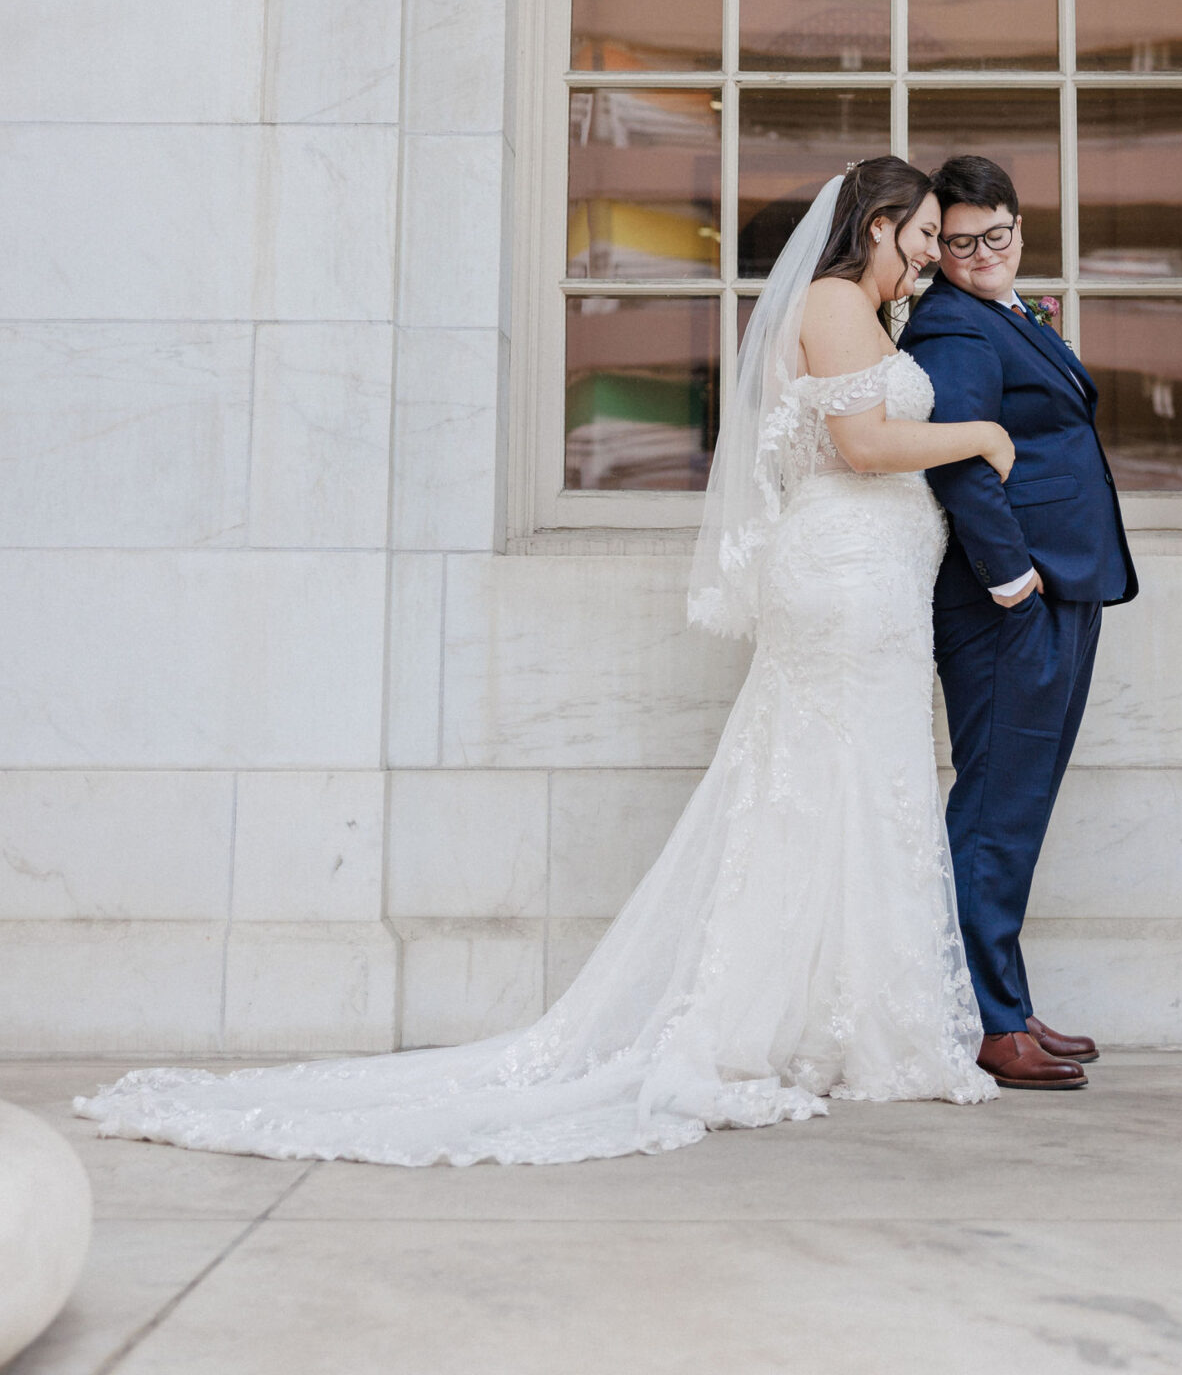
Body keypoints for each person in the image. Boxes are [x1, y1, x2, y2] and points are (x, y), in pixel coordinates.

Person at [77, 160, 1015, 1167]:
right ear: (872, 224)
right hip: (843, 581)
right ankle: (811, 1023)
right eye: (919, 230)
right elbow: (864, 443)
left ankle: (852, 1018)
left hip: (870, 586)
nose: (928, 250)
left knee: (849, 788)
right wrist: (981, 434)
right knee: (834, 782)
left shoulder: (871, 311)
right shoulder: (833, 300)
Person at [902, 155, 1138, 1091]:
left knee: (1017, 804)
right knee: (996, 809)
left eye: (991, 236)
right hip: (1013, 600)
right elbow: (957, 461)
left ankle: (1004, 1000)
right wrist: (1009, 580)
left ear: (1016, 225)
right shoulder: (954, 327)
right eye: (955, 244)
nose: (976, 256)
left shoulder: (1004, 309)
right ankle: (981, 1022)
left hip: (1065, 583)